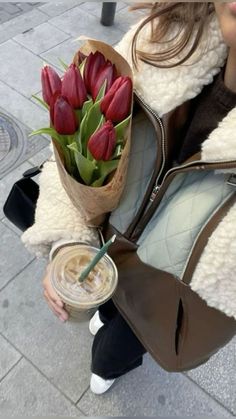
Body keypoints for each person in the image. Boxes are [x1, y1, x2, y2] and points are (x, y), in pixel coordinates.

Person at [22, 2, 236, 394]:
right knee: (103, 306)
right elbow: (74, 147)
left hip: (161, 302)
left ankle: (110, 367)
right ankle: (105, 313)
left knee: (113, 352)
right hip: (102, 249)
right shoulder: (162, 38)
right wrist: (67, 238)